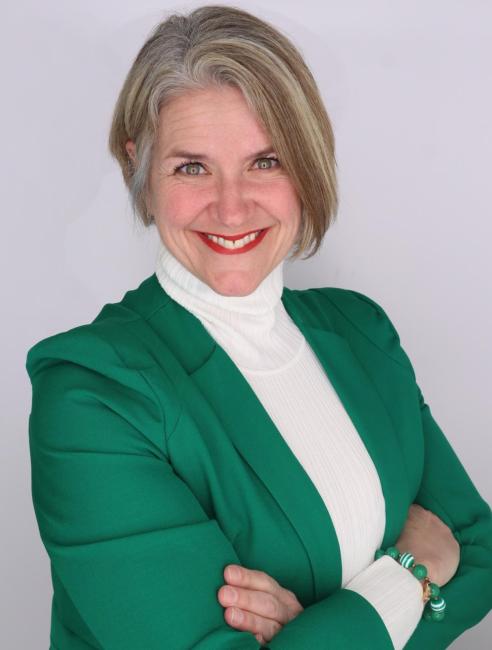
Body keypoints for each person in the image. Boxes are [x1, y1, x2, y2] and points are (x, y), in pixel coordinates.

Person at [26, 5, 491, 649]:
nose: (231, 205)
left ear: (307, 166)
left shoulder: (362, 332)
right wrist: (409, 577)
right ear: (140, 165)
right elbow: (445, 560)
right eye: (193, 167)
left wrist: (318, 633)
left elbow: (478, 549)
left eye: (265, 160)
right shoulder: (94, 397)